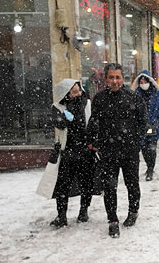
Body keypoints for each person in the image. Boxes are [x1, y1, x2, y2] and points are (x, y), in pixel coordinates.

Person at [86, 63, 148, 238]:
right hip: (108, 151)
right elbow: (93, 121)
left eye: (117, 77)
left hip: (129, 150)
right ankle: (112, 220)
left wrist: (138, 141)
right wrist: (91, 140)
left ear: (123, 78)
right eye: (111, 77)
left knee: (132, 184)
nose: (114, 81)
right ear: (106, 79)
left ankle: (133, 212)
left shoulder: (133, 97)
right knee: (109, 187)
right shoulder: (99, 99)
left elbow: (144, 122)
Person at [48, 79, 96, 227]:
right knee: (63, 185)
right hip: (67, 151)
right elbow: (60, 123)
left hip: (85, 150)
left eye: (79, 90)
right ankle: (61, 215)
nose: (79, 93)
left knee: (86, 182)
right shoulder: (58, 107)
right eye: (74, 92)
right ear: (66, 93)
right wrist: (69, 114)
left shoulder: (87, 104)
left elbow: (93, 123)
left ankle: (83, 211)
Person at [131, 70, 159, 181]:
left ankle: (150, 169)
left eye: (145, 81)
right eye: (141, 81)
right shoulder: (136, 95)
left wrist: (158, 118)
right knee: (144, 149)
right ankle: (149, 166)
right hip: (140, 128)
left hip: (153, 126)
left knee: (151, 149)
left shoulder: (157, 94)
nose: (143, 83)